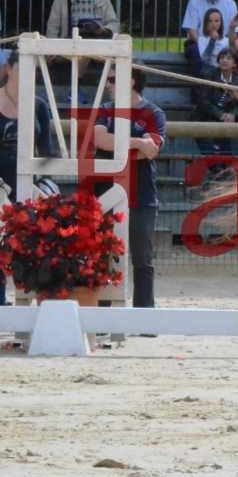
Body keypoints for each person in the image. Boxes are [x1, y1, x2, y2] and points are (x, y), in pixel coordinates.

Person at [91, 71, 164, 309]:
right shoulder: (105, 108)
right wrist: (136, 142)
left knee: (142, 258)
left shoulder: (154, 113)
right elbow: (100, 141)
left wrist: (121, 144)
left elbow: (151, 151)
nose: (109, 84)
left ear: (131, 81)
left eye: (113, 79)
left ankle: (144, 316)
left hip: (141, 193)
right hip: (105, 191)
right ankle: (101, 317)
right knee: (104, 255)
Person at [0, 57, 61, 307]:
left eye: (33, 71)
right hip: (0, 183)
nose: (28, 75)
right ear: (9, 69)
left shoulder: (39, 106)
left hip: (30, 182)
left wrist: (45, 182)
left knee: (48, 229)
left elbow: (48, 152)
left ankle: (43, 298)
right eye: (22, 68)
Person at [196, 48, 238, 159]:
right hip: (208, 115)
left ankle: (224, 166)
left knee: (226, 136)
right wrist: (220, 115)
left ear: (235, 63)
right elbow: (203, 101)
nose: (224, 60)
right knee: (203, 133)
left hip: (229, 117)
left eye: (228, 58)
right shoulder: (209, 75)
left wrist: (233, 114)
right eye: (222, 58)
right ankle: (216, 167)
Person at [184, 8, 227, 76]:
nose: (213, 24)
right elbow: (205, 60)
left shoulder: (226, 41)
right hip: (209, 73)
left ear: (221, 23)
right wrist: (212, 42)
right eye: (210, 21)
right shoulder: (201, 40)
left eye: (217, 21)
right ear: (205, 23)